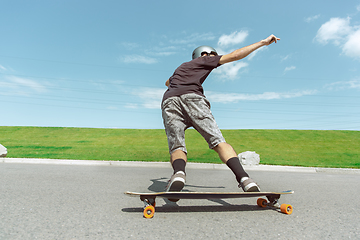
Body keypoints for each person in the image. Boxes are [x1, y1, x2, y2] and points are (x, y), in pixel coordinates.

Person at [161, 34, 280, 195]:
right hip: (193, 99)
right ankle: (244, 178)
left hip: (169, 100)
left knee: (177, 144)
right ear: (205, 54)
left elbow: (167, 83)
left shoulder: (182, 67)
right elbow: (235, 55)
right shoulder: (205, 59)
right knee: (218, 141)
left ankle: (179, 174)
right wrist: (262, 43)